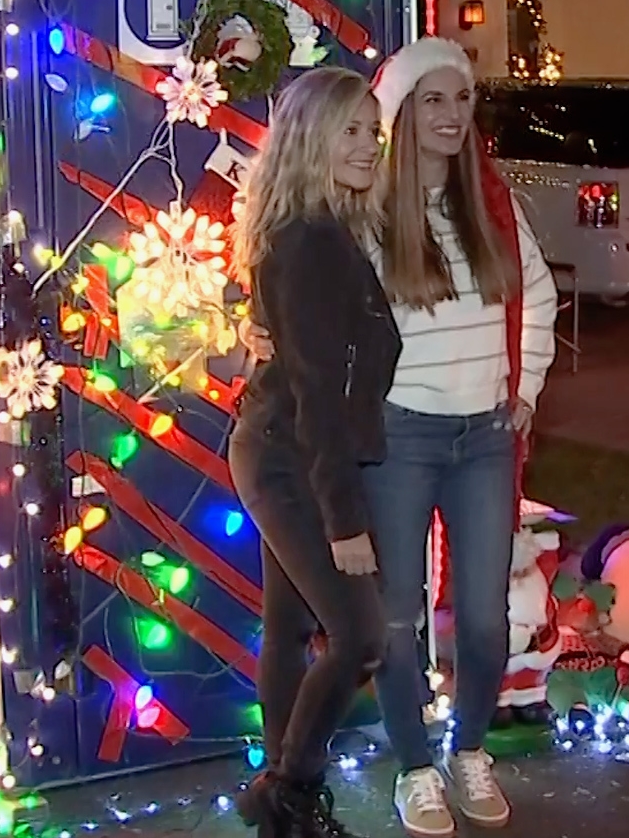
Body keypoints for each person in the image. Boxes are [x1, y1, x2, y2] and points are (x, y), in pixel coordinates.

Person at [244, 38, 559, 837]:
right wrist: (345, 517)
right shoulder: (348, 220)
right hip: (366, 444)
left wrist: (522, 389)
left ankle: (306, 788)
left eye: (464, 100)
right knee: (373, 627)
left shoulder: (469, 205)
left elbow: (538, 295)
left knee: (457, 619)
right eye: (431, 101)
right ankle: (359, 779)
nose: (451, 118)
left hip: (453, 437)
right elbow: (315, 354)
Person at [229, 66, 404, 838]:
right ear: (311, 138)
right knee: (361, 635)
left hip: (287, 449)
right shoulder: (309, 245)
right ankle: (288, 791)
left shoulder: (324, 232)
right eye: (354, 131)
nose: (371, 145)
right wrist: (344, 521)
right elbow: (315, 394)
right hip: (290, 458)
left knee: (292, 629)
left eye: (374, 130)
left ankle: (281, 802)